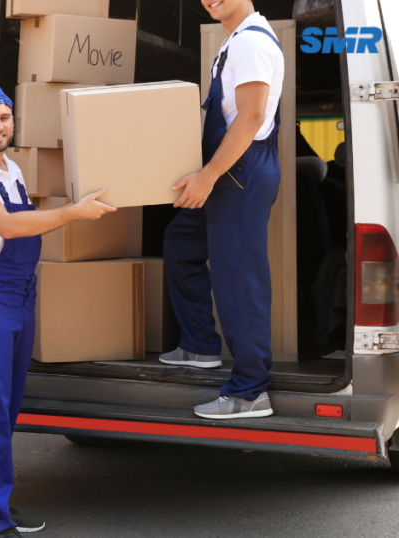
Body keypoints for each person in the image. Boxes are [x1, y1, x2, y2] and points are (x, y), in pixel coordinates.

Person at [0, 85, 115, 537]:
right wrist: (72, 214)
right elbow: (7, 224)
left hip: (20, 292)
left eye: (5, 117)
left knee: (8, 403)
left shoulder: (11, 168)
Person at [159, 0, 285, 419]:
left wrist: (208, 176)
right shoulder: (232, 42)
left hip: (240, 171)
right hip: (225, 169)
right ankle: (199, 345)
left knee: (240, 278)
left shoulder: (251, 43)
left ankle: (250, 391)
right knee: (181, 242)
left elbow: (250, 117)